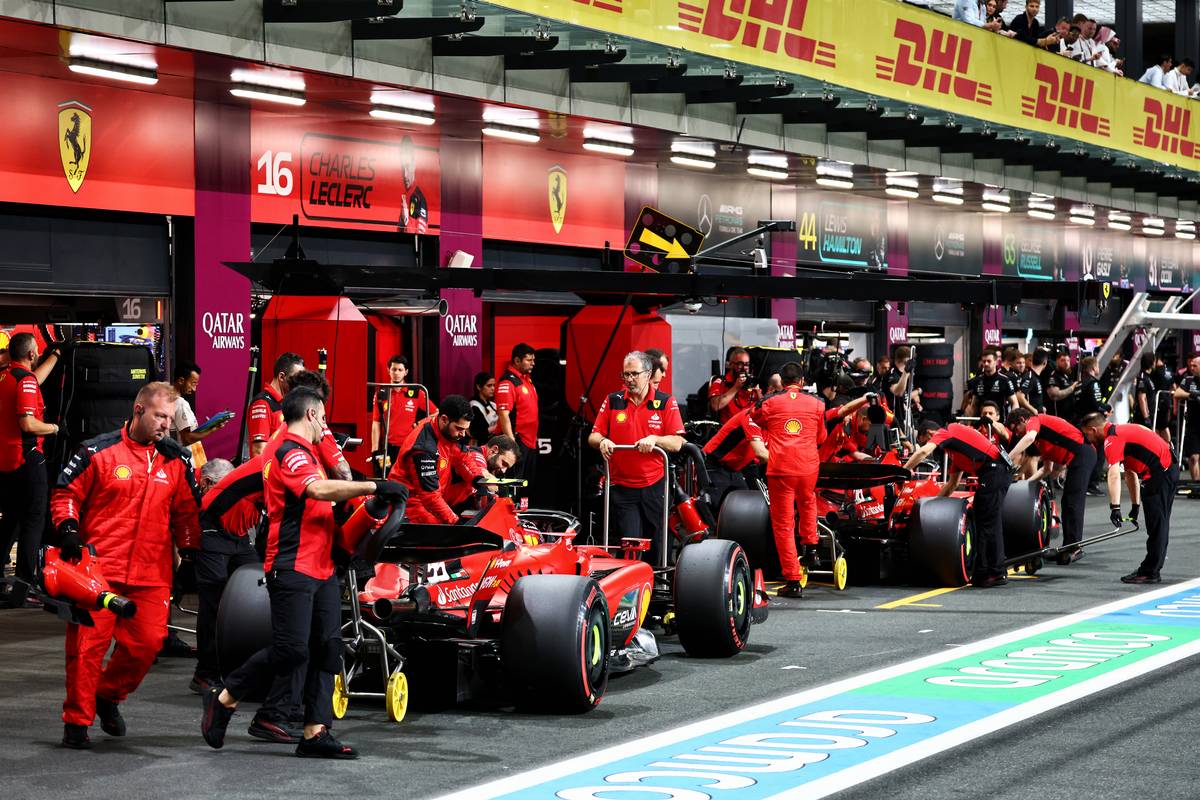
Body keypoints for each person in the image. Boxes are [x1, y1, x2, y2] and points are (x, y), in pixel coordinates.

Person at [202, 387, 403, 758]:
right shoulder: (289, 451)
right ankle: (225, 696)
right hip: (292, 566)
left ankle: (315, 733)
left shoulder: (304, 451)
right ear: (311, 415)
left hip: (323, 565)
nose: (325, 426)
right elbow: (318, 491)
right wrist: (375, 484)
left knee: (328, 649)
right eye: (323, 418)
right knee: (291, 651)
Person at [52, 382, 201, 749]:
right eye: (161, 416)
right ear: (139, 410)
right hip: (98, 571)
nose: (167, 424)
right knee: (86, 648)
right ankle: (77, 721)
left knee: (147, 645)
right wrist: (69, 530)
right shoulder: (97, 451)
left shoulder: (177, 460)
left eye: (170, 417)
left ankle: (107, 696)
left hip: (152, 573)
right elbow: (65, 494)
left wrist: (190, 551)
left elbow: (186, 513)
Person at [589, 352, 685, 566]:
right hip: (622, 486)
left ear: (648, 374)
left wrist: (655, 439)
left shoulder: (666, 401)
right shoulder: (613, 400)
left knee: (657, 542)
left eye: (634, 374)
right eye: (625, 375)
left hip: (655, 485)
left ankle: (659, 587)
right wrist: (602, 440)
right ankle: (631, 591)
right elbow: (593, 436)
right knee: (630, 543)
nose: (629, 379)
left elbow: (677, 443)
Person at [751, 361, 826, 598]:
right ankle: (812, 546)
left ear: (782, 383)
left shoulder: (770, 403)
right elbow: (821, 436)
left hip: (781, 467)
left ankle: (793, 580)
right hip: (807, 467)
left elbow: (756, 417)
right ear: (802, 382)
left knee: (783, 525)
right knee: (808, 502)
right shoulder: (817, 404)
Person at [904, 421, 1011, 588]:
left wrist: (903, 471)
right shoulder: (957, 452)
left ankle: (993, 572)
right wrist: (928, 508)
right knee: (984, 520)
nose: (928, 443)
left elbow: (924, 452)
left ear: (931, 433)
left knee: (987, 523)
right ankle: (987, 571)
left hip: (994, 470)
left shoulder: (947, 430)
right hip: (994, 472)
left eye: (925, 439)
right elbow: (951, 485)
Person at [1081, 413, 1178, 584]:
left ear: (1093, 429)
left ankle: (1150, 571)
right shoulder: (1122, 431)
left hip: (1159, 474)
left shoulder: (1112, 439)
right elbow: (1130, 473)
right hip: (1166, 470)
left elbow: (1113, 475)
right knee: (1160, 524)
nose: (1086, 439)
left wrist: (1115, 507)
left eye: (1086, 434)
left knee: (1157, 525)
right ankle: (1152, 568)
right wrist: (1135, 505)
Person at [0, 333, 59, 607]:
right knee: (33, 522)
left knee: (10, 520)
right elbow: (28, 424)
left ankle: (5, 582)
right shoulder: (24, 381)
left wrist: (56, 357)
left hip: (6, 462)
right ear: (32, 354)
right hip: (27, 459)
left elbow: (32, 381)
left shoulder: (7, 376)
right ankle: (22, 590)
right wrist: (54, 428)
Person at [1006, 409, 1096, 563]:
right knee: (1067, 502)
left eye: (1016, 429)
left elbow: (1028, 438)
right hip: (1077, 458)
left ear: (1023, 420)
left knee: (1073, 502)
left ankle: (1074, 547)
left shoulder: (1035, 420)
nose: (1016, 434)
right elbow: (1047, 470)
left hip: (1083, 454)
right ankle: (1069, 546)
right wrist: (1023, 485)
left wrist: (1007, 458)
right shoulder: (1042, 440)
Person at [389, 395, 475, 524]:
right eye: (459, 429)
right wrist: (456, 523)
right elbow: (429, 496)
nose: (462, 434)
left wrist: (479, 479)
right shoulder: (423, 448)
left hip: (438, 490)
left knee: (472, 487)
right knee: (441, 532)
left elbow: (463, 458)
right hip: (412, 502)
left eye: (465, 429)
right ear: (444, 419)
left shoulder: (447, 430)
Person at [371, 355, 436, 474]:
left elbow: (436, 413)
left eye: (400, 370)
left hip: (409, 447)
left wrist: (421, 423)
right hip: (387, 448)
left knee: (407, 481)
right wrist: (375, 450)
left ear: (406, 372)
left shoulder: (416, 392)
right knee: (386, 481)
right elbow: (376, 423)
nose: (396, 373)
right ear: (388, 370)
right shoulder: (381, 394)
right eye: (393, 369)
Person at [702, 406, 769, 503]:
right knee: (714, 506)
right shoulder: (753, 415)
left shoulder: (775, 425)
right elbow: (761, 453)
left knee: (746, 506)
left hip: (736, 468)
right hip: (713, 464)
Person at [495, 343, 539, 483]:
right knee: (513, 482)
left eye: (533, 360)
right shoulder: (507, 383)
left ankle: (522, 506)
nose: (533, 363)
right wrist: (511, 444)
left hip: (530, 441)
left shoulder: (526, 381)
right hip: (517, 440)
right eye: (529, 360)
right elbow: (503, 415)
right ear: (517, 360)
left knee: (525, 483)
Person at [247, 352, 304, 457]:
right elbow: (259, 451)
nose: (300, 384)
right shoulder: (262, 403)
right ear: (282, 377)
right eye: (297, 379)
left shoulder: (288, 403)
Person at [170, 362, 230, 460]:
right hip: (187, 462)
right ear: (181, 380)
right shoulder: (180, 403)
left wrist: (212, 425)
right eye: (193, 383)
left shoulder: (170, 400)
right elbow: (187, 439)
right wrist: (212, 429)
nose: (194, 389)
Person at [444, 434, 520, 510]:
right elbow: (482, 474)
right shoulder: (476, 456)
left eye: (507, 467)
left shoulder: (480, 456)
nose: (503, 470)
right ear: (494, 450)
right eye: (504, 463)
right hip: (440, 507)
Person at [709, 346, 759, 423]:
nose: (744, 367)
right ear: (730, 365)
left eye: (746, 364)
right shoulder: (720, 382)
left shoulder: (753, 384)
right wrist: (736, 388)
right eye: (740, 364)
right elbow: (715, 406)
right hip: (729, 429)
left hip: (749, 429)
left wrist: (761, 396)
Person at [964, 349, 1018, 418]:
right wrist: (969, 423)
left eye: (989, 361)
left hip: (1000, 422)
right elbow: (974, 405)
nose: (986, 364)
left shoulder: (1004, 380)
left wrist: (1011, 420)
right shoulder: (977, 381)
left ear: (996, 362)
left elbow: (1015, 403)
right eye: (984, 361)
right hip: (982, 421)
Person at [1174, 354, 1200, 480]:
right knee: (1193, 457)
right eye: (1191, 365)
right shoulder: (1188, 380)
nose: (1192, 368)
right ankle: (1196, 485)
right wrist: (1192, 394)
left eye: (1195, 366)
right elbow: (1177, 393)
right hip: (1192, 424)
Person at [1047, 351, 1079, 422]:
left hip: (1071, 415)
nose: (1066, 363)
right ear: (1057, 362)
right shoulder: (1054, 376)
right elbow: (1054, 395)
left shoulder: (1066, 375)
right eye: (1063, 360)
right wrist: (1072, 388)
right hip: (1060, 417)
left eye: (1068, 360)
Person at [468, 371, 498, 446]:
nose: (493, 388)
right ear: (479, 387)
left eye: (494, 385)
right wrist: (498, 427)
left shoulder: (493, 405)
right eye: (489, 386)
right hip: (482, 446)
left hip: (495, 443)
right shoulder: (474, 406)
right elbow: (477, 433)